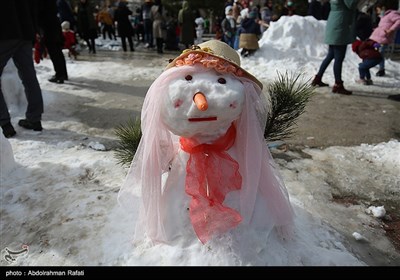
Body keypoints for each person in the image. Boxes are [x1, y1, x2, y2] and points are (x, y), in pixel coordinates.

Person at [0, 0, 44, 138]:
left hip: (4, 33)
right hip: (25, 32)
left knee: (28, 76)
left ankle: (5, 124)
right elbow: (34, 6)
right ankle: (34, 119)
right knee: (29, 76)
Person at [311, 0, 358, 95]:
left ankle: (318, 78)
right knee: (339, 57)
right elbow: (351, 4)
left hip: (334, 23)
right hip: (340, 25)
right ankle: (338, 85)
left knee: (331, 55)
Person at [38, 0, 69, 84]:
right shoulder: (53, 4)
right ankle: (63, 74)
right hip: (55, 27)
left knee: (54, 53)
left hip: (48, 29)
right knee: (58, 52)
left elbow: (40, 13)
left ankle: (59, 75)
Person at [369, 0, 400, 77]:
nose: (377, 12)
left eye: (378, 9)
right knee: (376, 52)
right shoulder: (383, 16)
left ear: (383, 8)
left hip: (384, 39)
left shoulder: (392, 14)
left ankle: (381, 69)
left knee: (380, 54)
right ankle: (377, 66)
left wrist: (391, 30)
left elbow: (399, 20)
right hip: (378, 39)